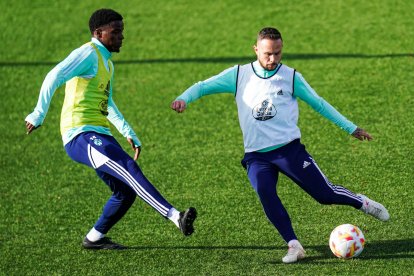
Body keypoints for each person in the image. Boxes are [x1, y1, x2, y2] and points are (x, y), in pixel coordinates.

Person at [171, 27, 389, 263]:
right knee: (265, 192)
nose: (273, 59)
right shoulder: (238, 75)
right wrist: (184, 98)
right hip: (256, 156)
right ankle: (294, 245)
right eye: (267, 54)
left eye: (278, 53)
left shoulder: (291, 77)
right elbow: (203, 86)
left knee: (324, 195)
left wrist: (351, 128)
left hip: (289, 151)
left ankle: (362, 202)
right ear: (256, 50)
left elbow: (319, 104)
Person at [25, 8, 197, 250]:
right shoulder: (88, 53)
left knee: (125, 193)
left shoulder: (106, 62)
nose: (121, 37)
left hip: (99, 133)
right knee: (129, 167)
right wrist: (38, 113)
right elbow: (54, 75)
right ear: (99, 33)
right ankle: (175, 216)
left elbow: (108, 101)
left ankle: (94, 238)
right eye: (116, 32)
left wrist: (128, 131)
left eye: (122, 32)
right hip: (80, 135)